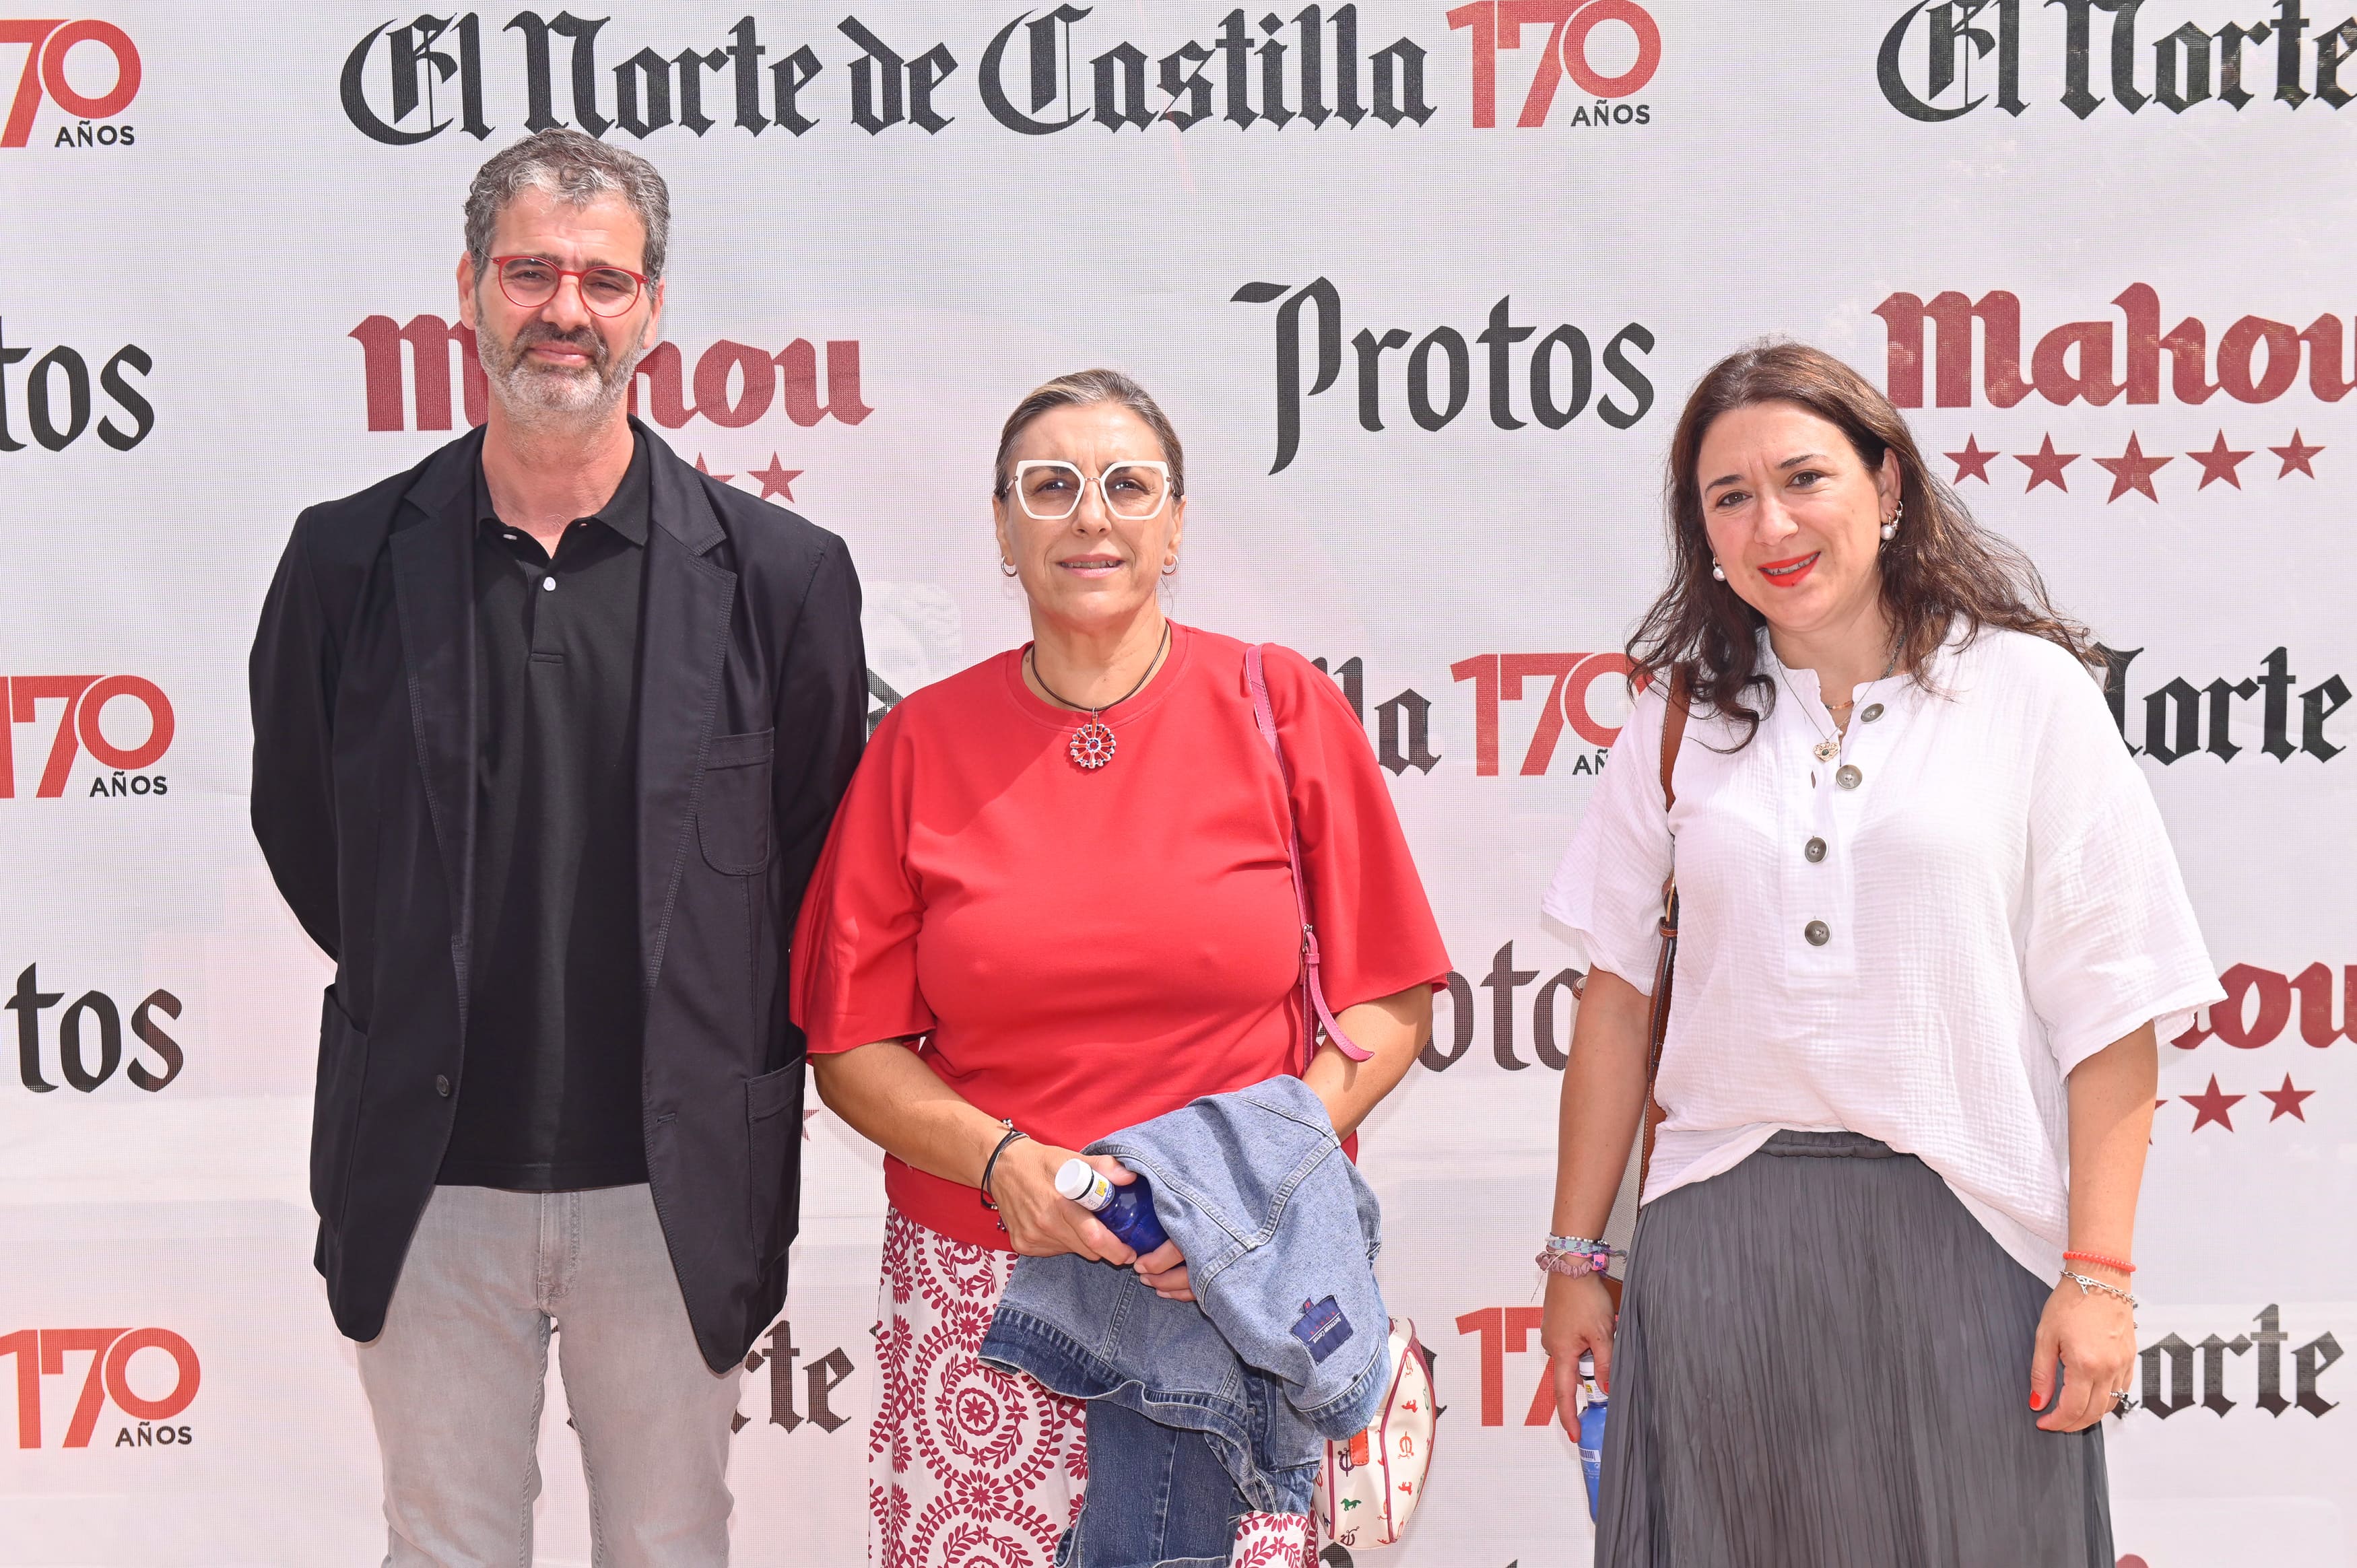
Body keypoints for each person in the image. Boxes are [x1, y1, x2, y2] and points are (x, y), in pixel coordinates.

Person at [248, 128, 866, 1565]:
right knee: (446, 1544)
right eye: (531, 272)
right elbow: (307, 837)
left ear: (651, 307)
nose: (564, 310)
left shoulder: (782, 579)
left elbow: (812, 852)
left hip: (674, 1183)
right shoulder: (344, 564)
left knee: (668, 1547)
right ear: (467, 287)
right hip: (430, 1174)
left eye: (602, 278)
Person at [1535, 341, 2222, 1567]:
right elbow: (1618, 1000)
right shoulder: (1678, 717)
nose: (1771, 523)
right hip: (1719, 1245)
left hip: (1968, 1239)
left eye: (1805, 477)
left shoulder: (2027, 692)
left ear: (1888, 484)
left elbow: (2113, 1008)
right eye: (1728, 497)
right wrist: (1579, 1257)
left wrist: (2102, 1275)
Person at [789, 369, 1450, 1568]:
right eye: (1052, 487)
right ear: (1002, 527)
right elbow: (850, 1047)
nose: (1091, 516)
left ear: (1177, 521)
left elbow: (1389, 995)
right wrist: (1003, 1163)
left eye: (1126, 485)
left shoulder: (1280, 708)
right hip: (989, 1289)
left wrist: (1234, 1184)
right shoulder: (919, 746)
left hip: (1231, 1289)